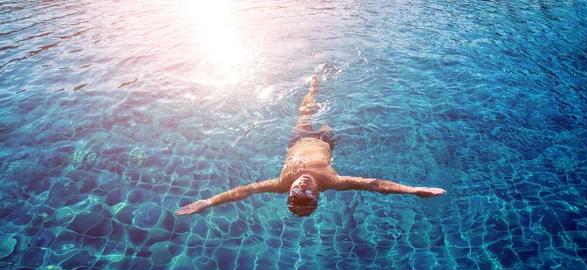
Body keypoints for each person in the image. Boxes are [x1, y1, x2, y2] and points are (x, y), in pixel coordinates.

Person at [175, 76, 446, 217]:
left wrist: (208, 201)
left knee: (305, 110)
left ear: (289, 193)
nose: (302, 183)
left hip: (297, 140)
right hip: (324, 141)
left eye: (297, 190)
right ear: (317, 193)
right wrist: (413, 190)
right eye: (307, 190)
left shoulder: (282, 182)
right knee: (332, 120)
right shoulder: (332, 180)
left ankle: (313, 87)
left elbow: (244, 191)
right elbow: (374, 184)